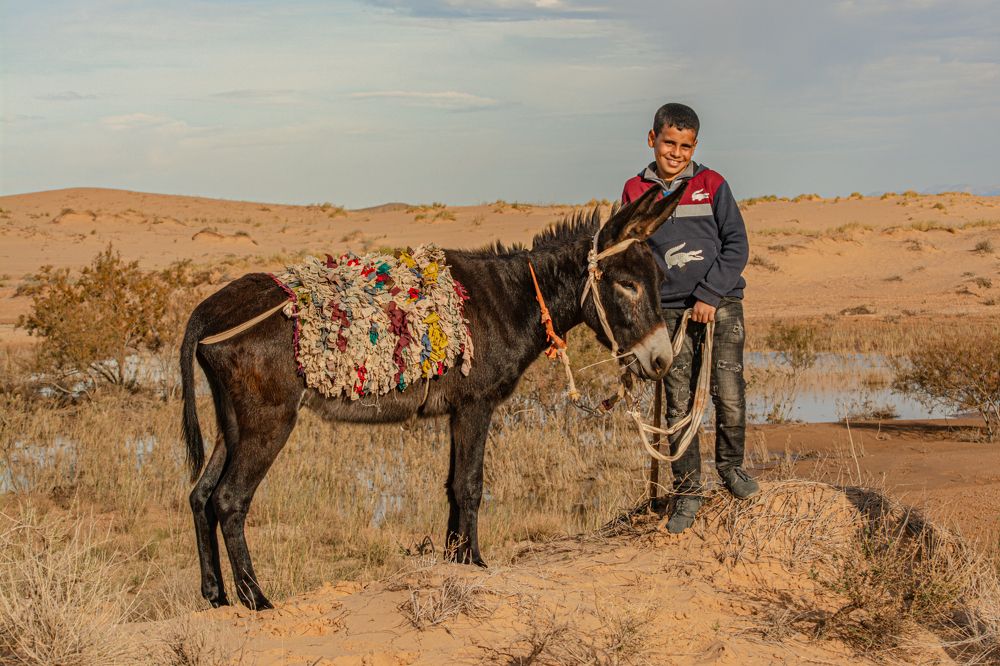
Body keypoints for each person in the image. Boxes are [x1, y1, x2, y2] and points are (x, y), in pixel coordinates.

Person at [621, 102, 757, 534]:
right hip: (668, 314)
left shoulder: (711, 184)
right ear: (652, 140)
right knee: (680, 405)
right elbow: (628, 252)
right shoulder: (633, 190)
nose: (676, 153)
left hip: (721, 306)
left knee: (729, 393)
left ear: (694, 146)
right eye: (668, 143)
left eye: (685, 145)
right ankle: (687, 492)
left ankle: (732, 469)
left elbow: (737, 246)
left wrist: (711, 295)